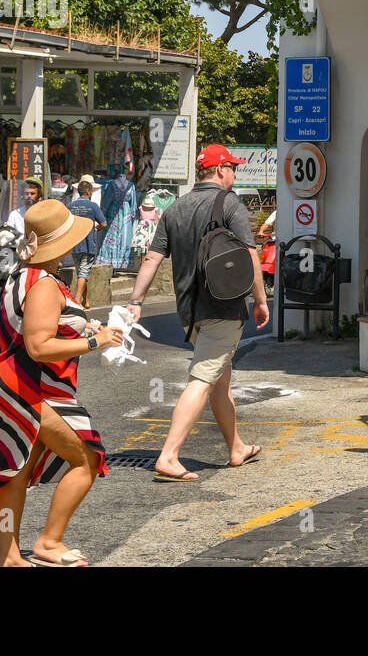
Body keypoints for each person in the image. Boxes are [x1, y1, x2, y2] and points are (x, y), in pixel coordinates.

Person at [0, 199, 125, 566]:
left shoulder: (24, 273)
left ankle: (10, 557)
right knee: (87, 459)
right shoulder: (45, 283)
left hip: (11, 384)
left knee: (14, 470)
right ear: (61, 245)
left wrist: (86, 327)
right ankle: (49, 542)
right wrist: (96, 341)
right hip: (30, 389)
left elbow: (44, 327)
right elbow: (38, 345)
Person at [126, 144, 268, 481]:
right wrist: (260, 300)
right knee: (203, 378)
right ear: (220, 171)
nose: (235, 173)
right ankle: (169, 456)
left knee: (220, 379)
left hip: (189, 312)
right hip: (223, 307)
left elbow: (151, 258)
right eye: (233, 167)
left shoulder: (174, 209)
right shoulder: (228, 203)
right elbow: (250, 256)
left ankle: (236, 447)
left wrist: (136, 301)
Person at [66, 177, 107, 310]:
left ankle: (86, 300)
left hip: (74, 244)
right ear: (89, 192)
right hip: (89, 244)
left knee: (81, 272)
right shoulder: (93, 206)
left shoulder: (70, 206)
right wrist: (97, 228)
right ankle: (77, 301)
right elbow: (104, 223)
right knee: (83, 272)